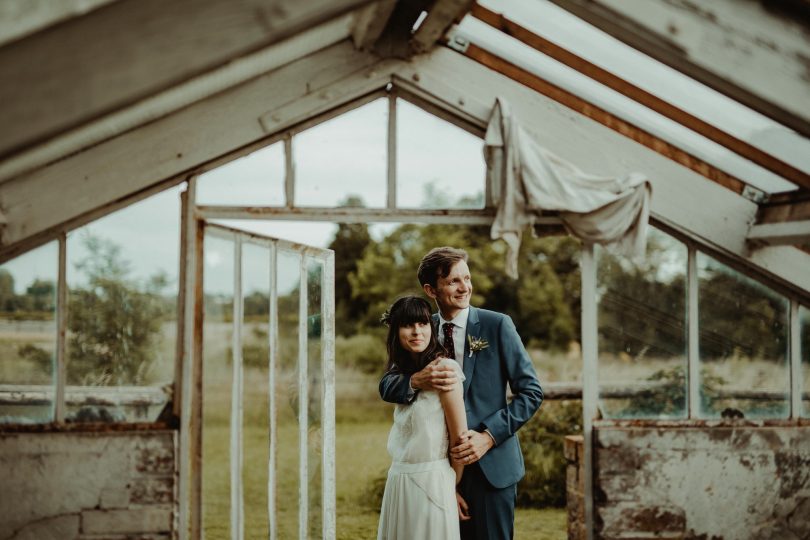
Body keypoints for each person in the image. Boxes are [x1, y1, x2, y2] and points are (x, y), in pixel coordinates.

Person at [379, 247, 543, 540]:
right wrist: (416, 380)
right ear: (431, 289)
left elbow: (531, 392)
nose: (465, 287)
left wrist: (488, 437)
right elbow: (387, 384)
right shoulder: (421, 327)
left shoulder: (497, 325)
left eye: (467, 278)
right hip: (439, 473)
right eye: (454, 281)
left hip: (491, 469)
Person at [377, 295, 470, 540]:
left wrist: (451, 485)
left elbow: (459, 439)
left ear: (432, 326)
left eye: (423, 324)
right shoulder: (400, 373)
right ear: (396, 332)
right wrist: (415, 381)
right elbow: (386, 387)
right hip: (398, 480)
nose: (417, 332)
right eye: (408, 325)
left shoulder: (445, 370)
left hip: (433, 481)